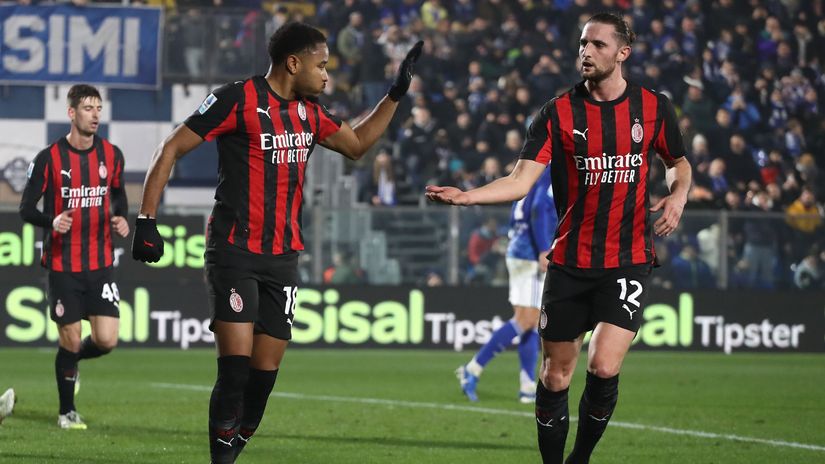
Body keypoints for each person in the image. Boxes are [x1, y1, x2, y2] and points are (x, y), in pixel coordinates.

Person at [130, 22, 422, 464]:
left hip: (283, 258)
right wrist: (146, 220)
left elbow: (359, 144)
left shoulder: (310, 112)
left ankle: (233, 447)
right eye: (321, 66)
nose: (327, 75)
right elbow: (170, 148)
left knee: (262, 379)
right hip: (234, 251)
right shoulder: (236, 99)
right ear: (293, 63)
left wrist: (394, 95)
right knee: (234, 372)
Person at [426, 13, 691, 464]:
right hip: (569, 262)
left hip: (627, 259)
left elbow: (678, 163)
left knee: (603, 366)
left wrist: (678, 195)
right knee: (554, 377)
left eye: (598, 44)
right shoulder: (557, 112)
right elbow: (519, 180)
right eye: (583, 43)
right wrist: (468, 196)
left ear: (623, 53)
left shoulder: (652, 107)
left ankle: (579, 458)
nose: (586, 51)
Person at [19, 84, 130, 430]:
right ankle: (67, 412)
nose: (95, 115)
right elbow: (26, 208)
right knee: (69, 335)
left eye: (98, 108)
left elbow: (119, 196)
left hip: (100, 263)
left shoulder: (111, 155)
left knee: (107, 340)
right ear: (71, 113)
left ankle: (71, 362)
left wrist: (121, 217)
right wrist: (51, 221)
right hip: (62, 265)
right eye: (87, 108)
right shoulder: (49, 158)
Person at [457, 167, 557, 403]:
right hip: (530, 254)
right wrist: (544, 248)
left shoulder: (530, 170)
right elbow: (539, 208)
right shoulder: (550, 170)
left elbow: (518, 209)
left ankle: (527, 385)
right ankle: (472, 369)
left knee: (530, 322)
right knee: (527, 320)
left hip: (519, 249)